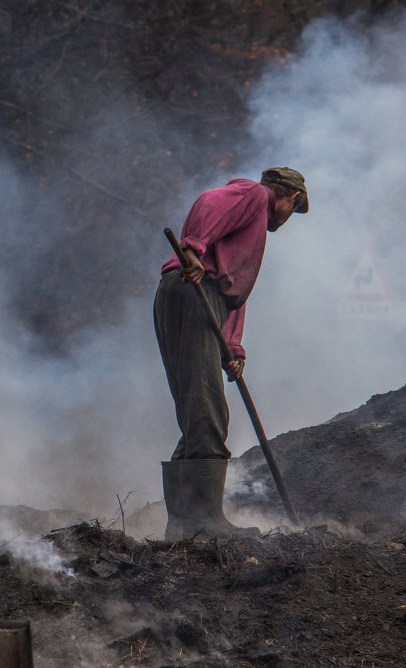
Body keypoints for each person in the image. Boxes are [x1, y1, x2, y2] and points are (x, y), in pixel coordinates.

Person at [154, 166, 308, 540]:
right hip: (193, 292)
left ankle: (184, 524)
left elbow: (232, 295)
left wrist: (232, 349)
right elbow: (210, 203)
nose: (289, 217)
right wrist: (193, 247)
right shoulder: (254, 196)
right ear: (291, 198)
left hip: (191, 295)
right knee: (207, 406)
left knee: (196, 408)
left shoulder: (251, 231)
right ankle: (203, 523)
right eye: (294, 209)